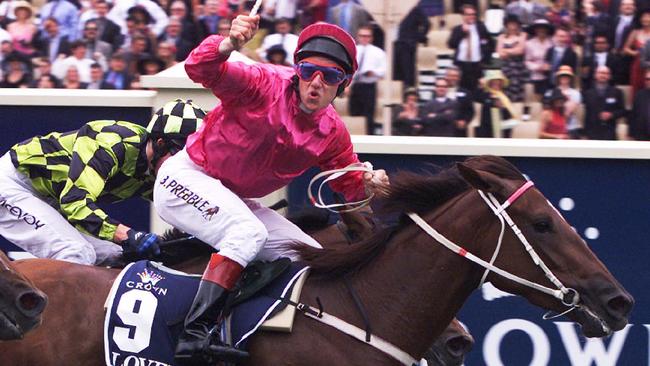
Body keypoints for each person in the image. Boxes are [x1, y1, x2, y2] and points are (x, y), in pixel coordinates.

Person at [155, 17, 390, 364]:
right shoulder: (263, 82)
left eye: (331, 78)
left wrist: (369, 182)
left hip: (234, 199)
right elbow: (199, 67)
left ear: (345, 84)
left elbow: (348, 183)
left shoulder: (332, 131)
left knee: (310, 256)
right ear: (297, 70)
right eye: (309, 71)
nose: (316, 84)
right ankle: (194, 334)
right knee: (247, 232)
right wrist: (229, 44)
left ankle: (249, 329)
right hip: (186, 179)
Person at [0, 99, 205, 266]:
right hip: (14, 183)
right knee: (76, 253)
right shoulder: (111, 144)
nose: (184, 166)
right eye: (182, 156)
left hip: (54, 195)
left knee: (117, 256)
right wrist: (128, 235)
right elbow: (75, 203)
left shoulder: (158, 166)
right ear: (161, 144)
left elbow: (187, 208)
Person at [348, 25, 386, 135]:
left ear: (371, 37)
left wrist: (373, 72)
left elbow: (384, 70)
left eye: (367, 36)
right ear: (358, 36)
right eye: (362, 36)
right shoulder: (353, 51)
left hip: (369, 86)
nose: (364, 38)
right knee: (354, 114)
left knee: (369, 115)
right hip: (355, 85)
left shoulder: (378, 52)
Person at [447, 4, 494, 90]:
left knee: (476, 89)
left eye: (473, 14)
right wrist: (462, 32)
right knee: (462, 90)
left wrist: (486, 59)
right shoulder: (457, 29)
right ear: (463, 16)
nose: (471, 16)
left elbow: (491, 43)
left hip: (476, 64)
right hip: (461, 64)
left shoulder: (481, 28)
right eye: (469, 14)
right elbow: (451, 44)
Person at [583, 66, 626, 140]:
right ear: (595, 75)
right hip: (592, 134)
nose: (603, 75)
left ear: (609, 76)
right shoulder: (588, 93)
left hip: (609, 132)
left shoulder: (617, 92)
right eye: (600, 73)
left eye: (606, 73)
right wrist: (585, 134)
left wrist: (612, 115)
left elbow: (623, 111)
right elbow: (587, 115)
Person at [475, 69, 515, 138]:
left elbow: (509, 113)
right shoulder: (485, 94)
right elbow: (477, 97)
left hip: (504, 128)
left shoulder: (506, 95)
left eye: (498, 81)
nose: (496, 83)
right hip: (487, 129)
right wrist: (493, 103)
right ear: (489, 83)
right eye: (494, 81)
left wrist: (502, 107)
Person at [496, 15, 527, 102]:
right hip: (505, 67)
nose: (513, 26)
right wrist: (513, 49)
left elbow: (521, 50)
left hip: (518, 68)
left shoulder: (523, 35)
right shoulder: (501, 37)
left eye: (514, 24)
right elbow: (499, 53)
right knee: (505, 89)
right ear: (506, 25)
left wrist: (506, 50)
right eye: (510, 24)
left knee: (517, 90)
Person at [623, 8, 650, 98]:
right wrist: (636, 53)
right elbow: (625, 49)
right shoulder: (635, 32)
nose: (645, 19)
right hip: (637, 66)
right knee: (636, 91)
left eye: (648, 17)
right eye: (644, 17)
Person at [525, 19, 554, 97]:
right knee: (536, 99)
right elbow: (527, 61)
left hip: (550, 76)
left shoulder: (552, 43)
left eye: (544, 29)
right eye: (539, 29)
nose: (541, 31)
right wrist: (538, 67)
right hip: (536, 76)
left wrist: (549, 66)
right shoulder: (529, 44)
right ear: (535, 30)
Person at [610, 0, 635, 84]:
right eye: (625, 5)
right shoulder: (614, 20)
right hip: (616, 57)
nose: (628, 7)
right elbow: (611, 36)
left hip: (630, 59)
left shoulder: (637, 22)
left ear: (634, 7)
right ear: (620, 7)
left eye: (630, 5)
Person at [445, 66, 474, 137]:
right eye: (451, 76)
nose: (453, 78)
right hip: (441, 127)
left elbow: (470, 111)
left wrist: (465, 121)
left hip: (458, 129)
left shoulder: (466, 93)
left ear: (459, 78)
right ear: (446, 77)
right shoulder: (440, 91)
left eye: (455, 76)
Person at [555, 65, 582, 138]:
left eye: (567, 75)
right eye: (562, 75)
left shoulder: (576, 93)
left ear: (571, 78)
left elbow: (568, 112)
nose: (564, 77)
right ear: (558, 77)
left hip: (571, 128)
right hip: (554, 127)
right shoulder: (551, 92)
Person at [630, 68, 650, 140]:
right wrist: (631, 134)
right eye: (647, 79)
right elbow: (633, 115)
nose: (648, 81)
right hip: (641, 136)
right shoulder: (639, 95)